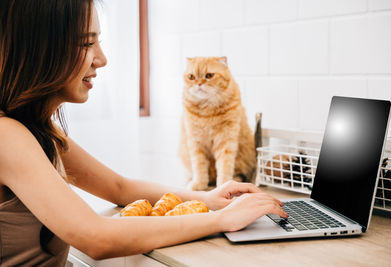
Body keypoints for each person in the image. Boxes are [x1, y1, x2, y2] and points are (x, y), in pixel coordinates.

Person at [0, 0, 288, 266]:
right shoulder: (6, 135)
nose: (102, 59)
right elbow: (95, 237)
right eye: (87, 44)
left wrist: (209, 200)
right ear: (38, 49)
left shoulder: (39, 130)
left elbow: (118, 188)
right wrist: (223, 220)